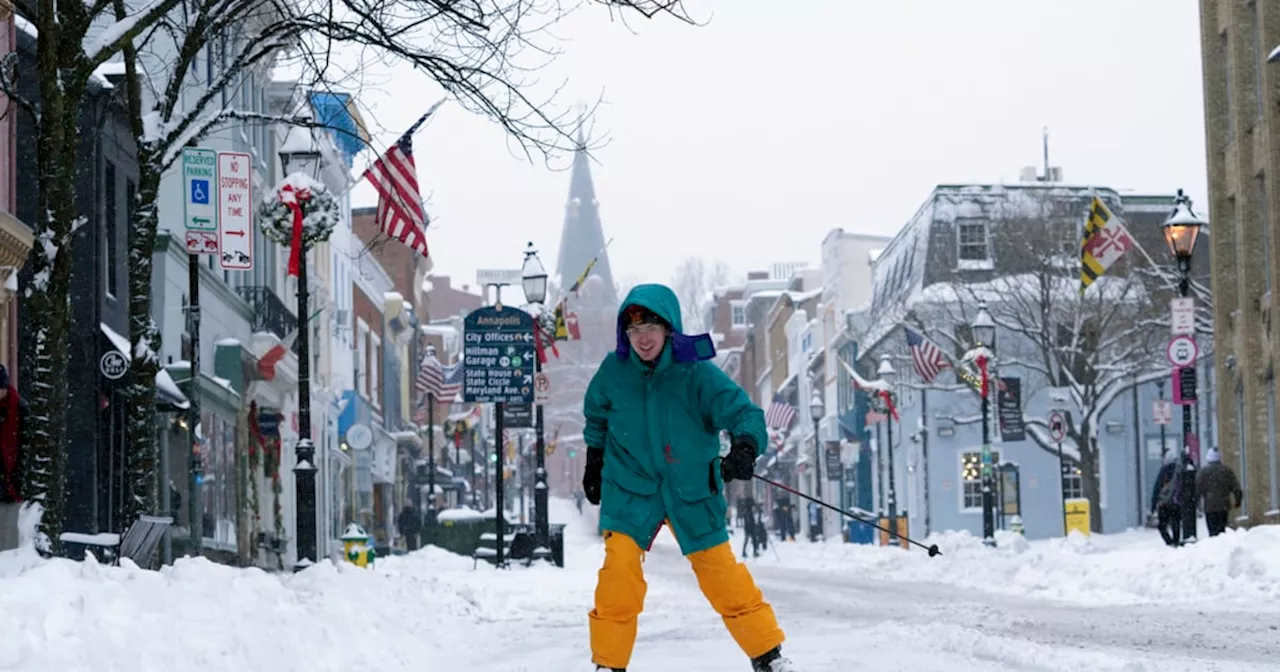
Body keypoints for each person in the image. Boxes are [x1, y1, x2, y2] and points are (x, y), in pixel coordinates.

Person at [581, 284, 794, 672]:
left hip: (692, 489)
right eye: (635, 331)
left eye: (651, 328)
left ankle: (768, 656)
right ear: (625, 335)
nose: (643, 338)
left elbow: (745, 413)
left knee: (722, 578)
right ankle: (608, 665)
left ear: (669, 330)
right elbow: (596, 417)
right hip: (630, 488)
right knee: (618, 576)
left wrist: (745, 447)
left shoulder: (696, 374)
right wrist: (594, 460)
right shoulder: (614, 371)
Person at [0, 364, 27, 551]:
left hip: (9, 482)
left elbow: (25, 446)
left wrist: (19, 478)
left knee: (7, 533)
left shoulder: (18, 408)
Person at [1196, 448, 1242, 537]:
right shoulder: (1227, 471)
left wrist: (1197, 504)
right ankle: (1222, 544)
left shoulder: (1203, 472)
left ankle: (1214, 545)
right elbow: (1236, 487)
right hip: (1223, 505)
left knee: (1212, 531)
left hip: (1210, 506)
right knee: (1221, 529)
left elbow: (1198, 489)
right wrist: (1238, 500)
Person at [1150, 451, 1181, 547]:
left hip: (1164, 503)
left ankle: (1169, 542)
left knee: (1162, 525)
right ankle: (1176, 541)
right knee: (1175, 522)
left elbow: (1157, 488)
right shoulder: (1179, 470)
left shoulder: (1164, 471)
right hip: (1176, 501)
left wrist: (1153, 505)